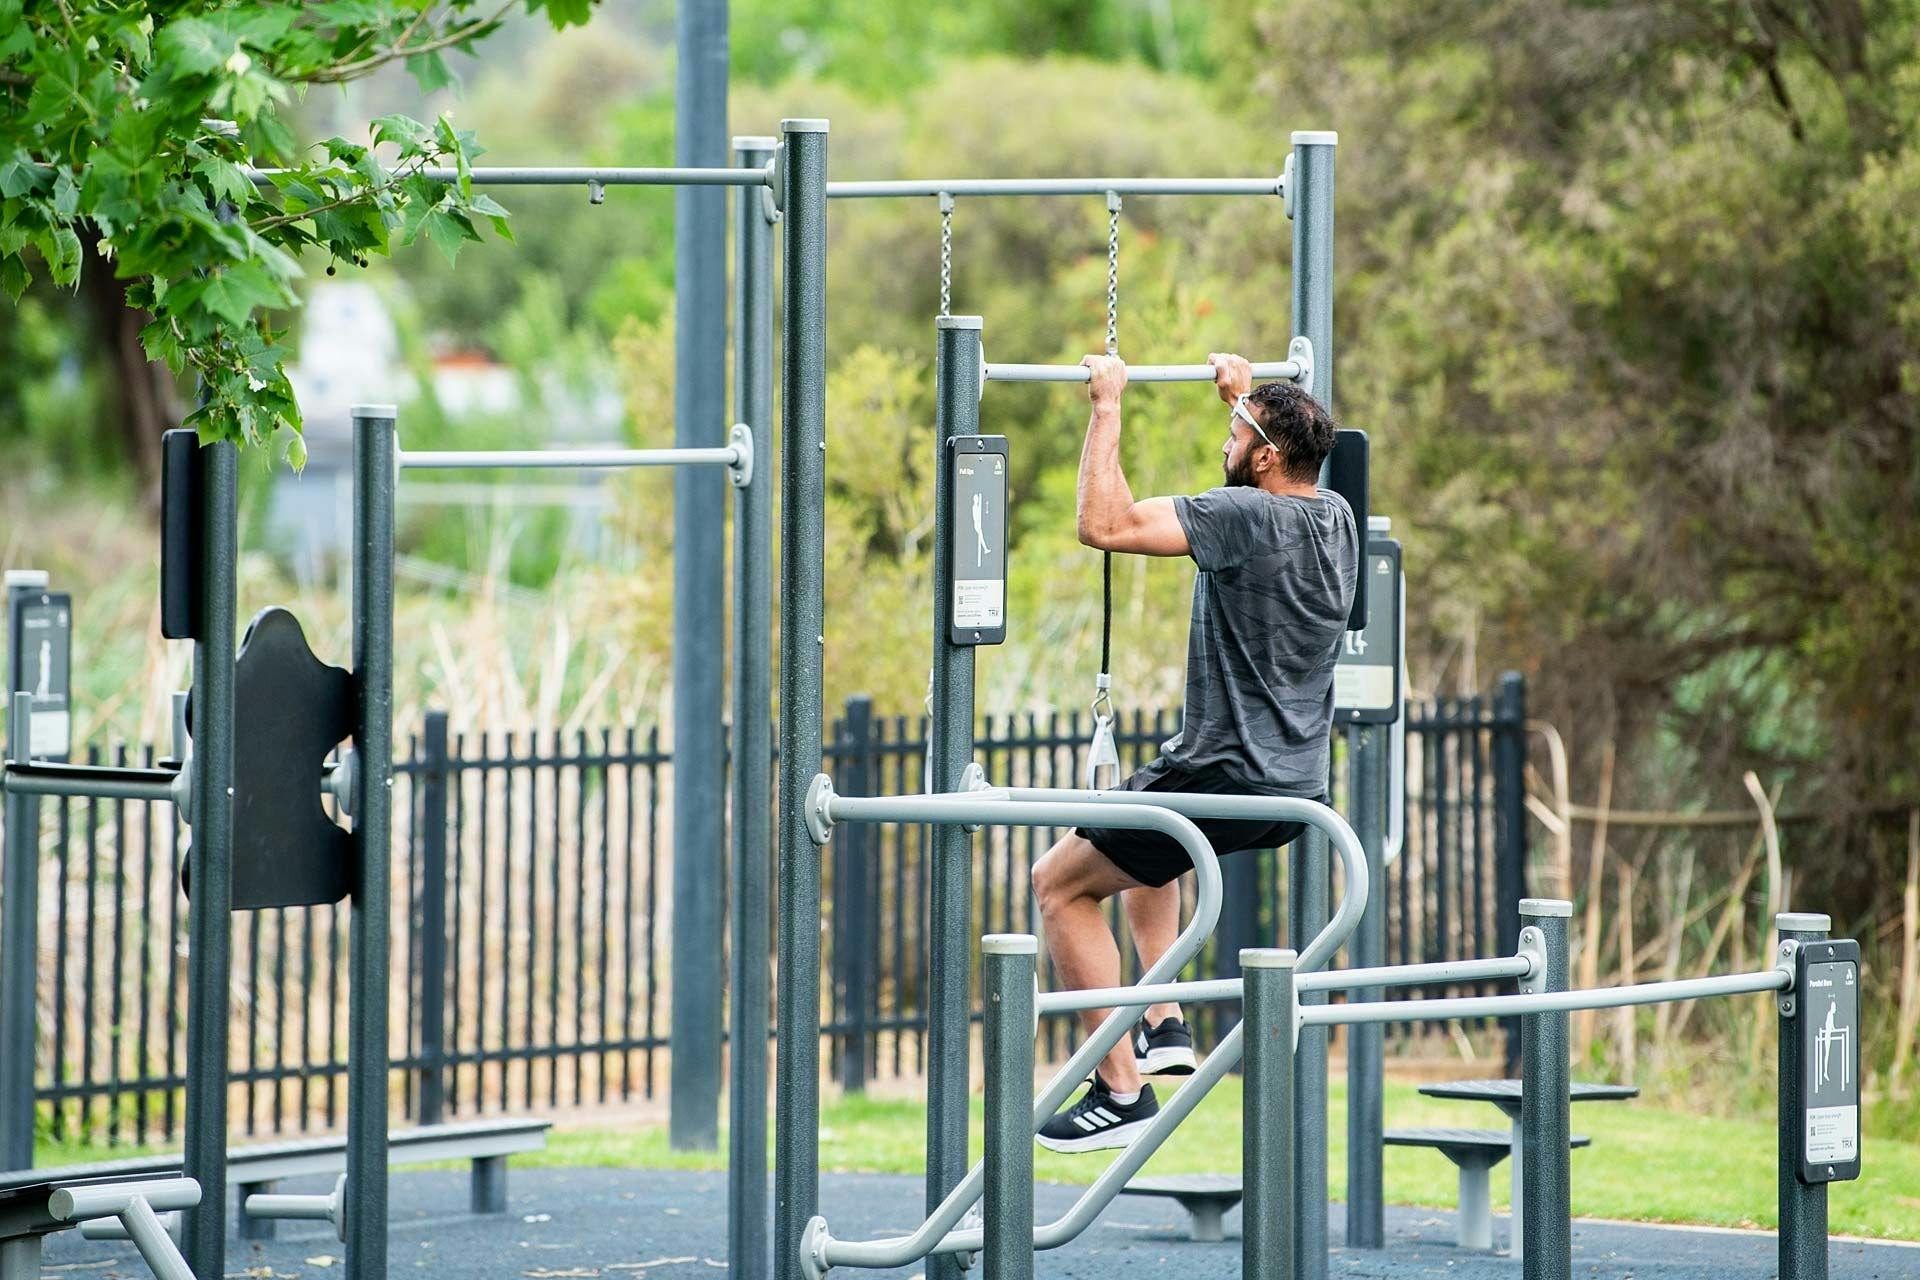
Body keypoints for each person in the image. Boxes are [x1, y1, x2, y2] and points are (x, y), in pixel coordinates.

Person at [1032, 351, 1357, 1152]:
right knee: (1153, 840)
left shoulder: (1240, 518)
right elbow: (1261, 485)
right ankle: (1164, 1020)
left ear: (1266, 455)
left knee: (1057, 887)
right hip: (1295, 786)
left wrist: (1108, 405)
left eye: (1234, 432)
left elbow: (1102, 526)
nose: (1226, 440)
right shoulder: (1338, 518)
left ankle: (1119, 1090)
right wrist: (1244, 398)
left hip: (1223, 773)